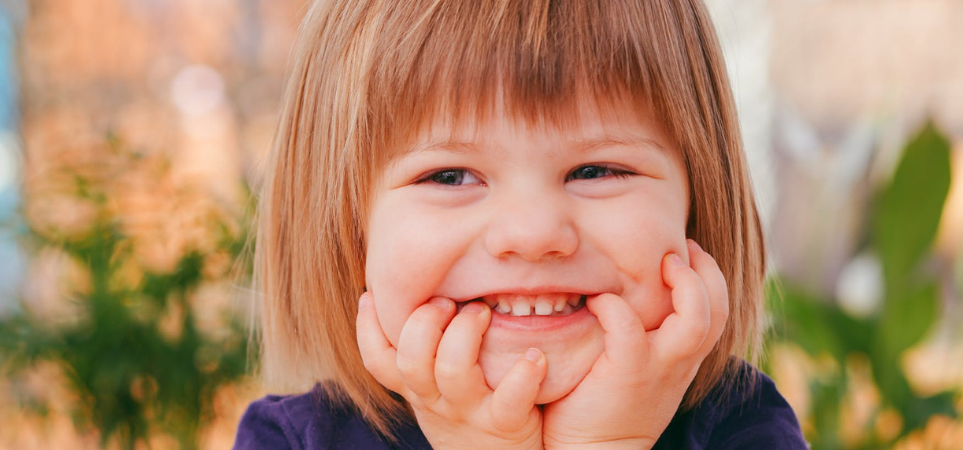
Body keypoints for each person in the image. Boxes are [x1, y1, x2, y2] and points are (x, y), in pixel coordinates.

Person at [235, 0, 806, 448]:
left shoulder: (744, 427)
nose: (532, 235)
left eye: (595, 170)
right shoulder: (291, 441)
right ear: (349, 229)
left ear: (698, 206)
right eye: (451, 177)